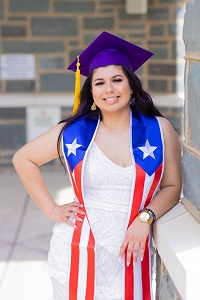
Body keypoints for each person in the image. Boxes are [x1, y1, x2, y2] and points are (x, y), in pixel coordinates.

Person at [13, 31, 182, 300]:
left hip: (130, 250)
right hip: (77, 248)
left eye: (117, 80)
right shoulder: (74, 132)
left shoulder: (158, 130)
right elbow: (23, 159)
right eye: (99, 83)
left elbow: (172, 187)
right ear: (91, 91)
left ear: (131, 85)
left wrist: (145, 218)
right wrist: (52, 209)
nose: (109, 89)